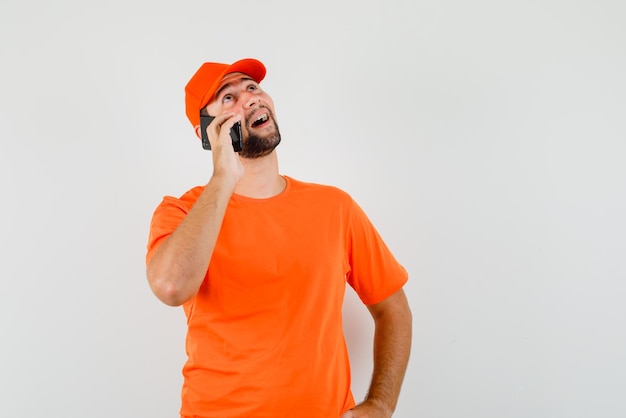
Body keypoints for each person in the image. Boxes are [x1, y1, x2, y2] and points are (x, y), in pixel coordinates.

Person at [146, 58, 412, 418]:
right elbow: (170, 286)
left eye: (252, 88)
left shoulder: (334, 206)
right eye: (229, 98)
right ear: (205, 132)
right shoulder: (182, 213)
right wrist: (224, 175)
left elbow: (392, 305)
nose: (250, 98)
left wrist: (381, 404)